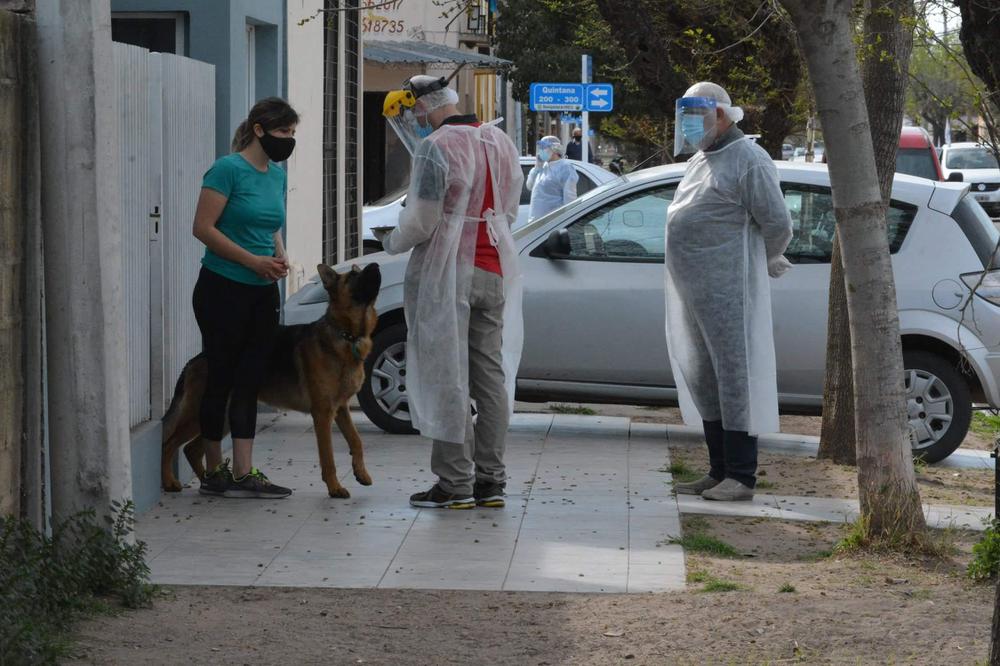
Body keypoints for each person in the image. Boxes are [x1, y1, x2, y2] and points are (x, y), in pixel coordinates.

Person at [380, 75, 525, 509]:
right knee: (489, 376)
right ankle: (491, 480)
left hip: (448, 272)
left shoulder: (436, 146)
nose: (414, 120)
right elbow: (510, 208)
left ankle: (455, 482)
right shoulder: (500, 141)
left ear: (424, 105)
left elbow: (422, 220)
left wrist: (391, 241)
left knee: (448, 374)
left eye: (414, 112)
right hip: (494, 267)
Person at [664, 82, 793, 502]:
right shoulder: (702, 159)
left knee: (734, 379)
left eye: (695, 117)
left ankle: (741, 474)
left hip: (730, 293)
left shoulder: (748, 160)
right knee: (705, 379)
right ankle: (718, 470)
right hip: (694, 293)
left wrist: (761, 260)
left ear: (720, 115)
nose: (689, 127)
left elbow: (777, 222)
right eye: (684, 118)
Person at [190, 97, 299, 499]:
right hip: (222, 287)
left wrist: (279, 255)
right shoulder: (226, 170)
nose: (288, 139)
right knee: (221, 375)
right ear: (259, 130)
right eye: (283, 131)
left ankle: (243, 470)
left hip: (261, 290)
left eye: (292, 133)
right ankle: (213, 469)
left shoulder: (276, 176)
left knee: (251, 378)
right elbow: (203, 228)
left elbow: (271, 225)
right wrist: (252, 262)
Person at [526, 136, 579, 221]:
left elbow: (570, 199)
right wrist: (536, 168)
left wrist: (568, 221)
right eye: (540, 148)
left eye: (544, 147)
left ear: (554, 148)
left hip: (553, 223)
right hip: (536, 222)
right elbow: (529, 186)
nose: (541, 151)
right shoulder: (543, 166)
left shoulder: (565, 167)